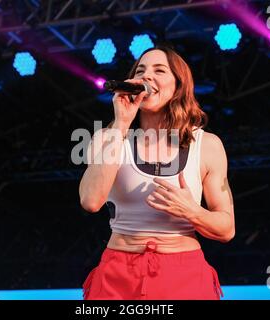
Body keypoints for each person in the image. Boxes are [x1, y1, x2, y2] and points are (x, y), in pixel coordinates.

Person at [79, 45, 235, 300]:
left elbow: (226, 229)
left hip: (183, 275)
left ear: (178, 85)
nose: (146, 76)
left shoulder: (207, 145)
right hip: (117, 276)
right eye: (140, 70)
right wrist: (121, 124)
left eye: (159, 70)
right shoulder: (107, 137)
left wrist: (192, 211)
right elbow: (90, 201)